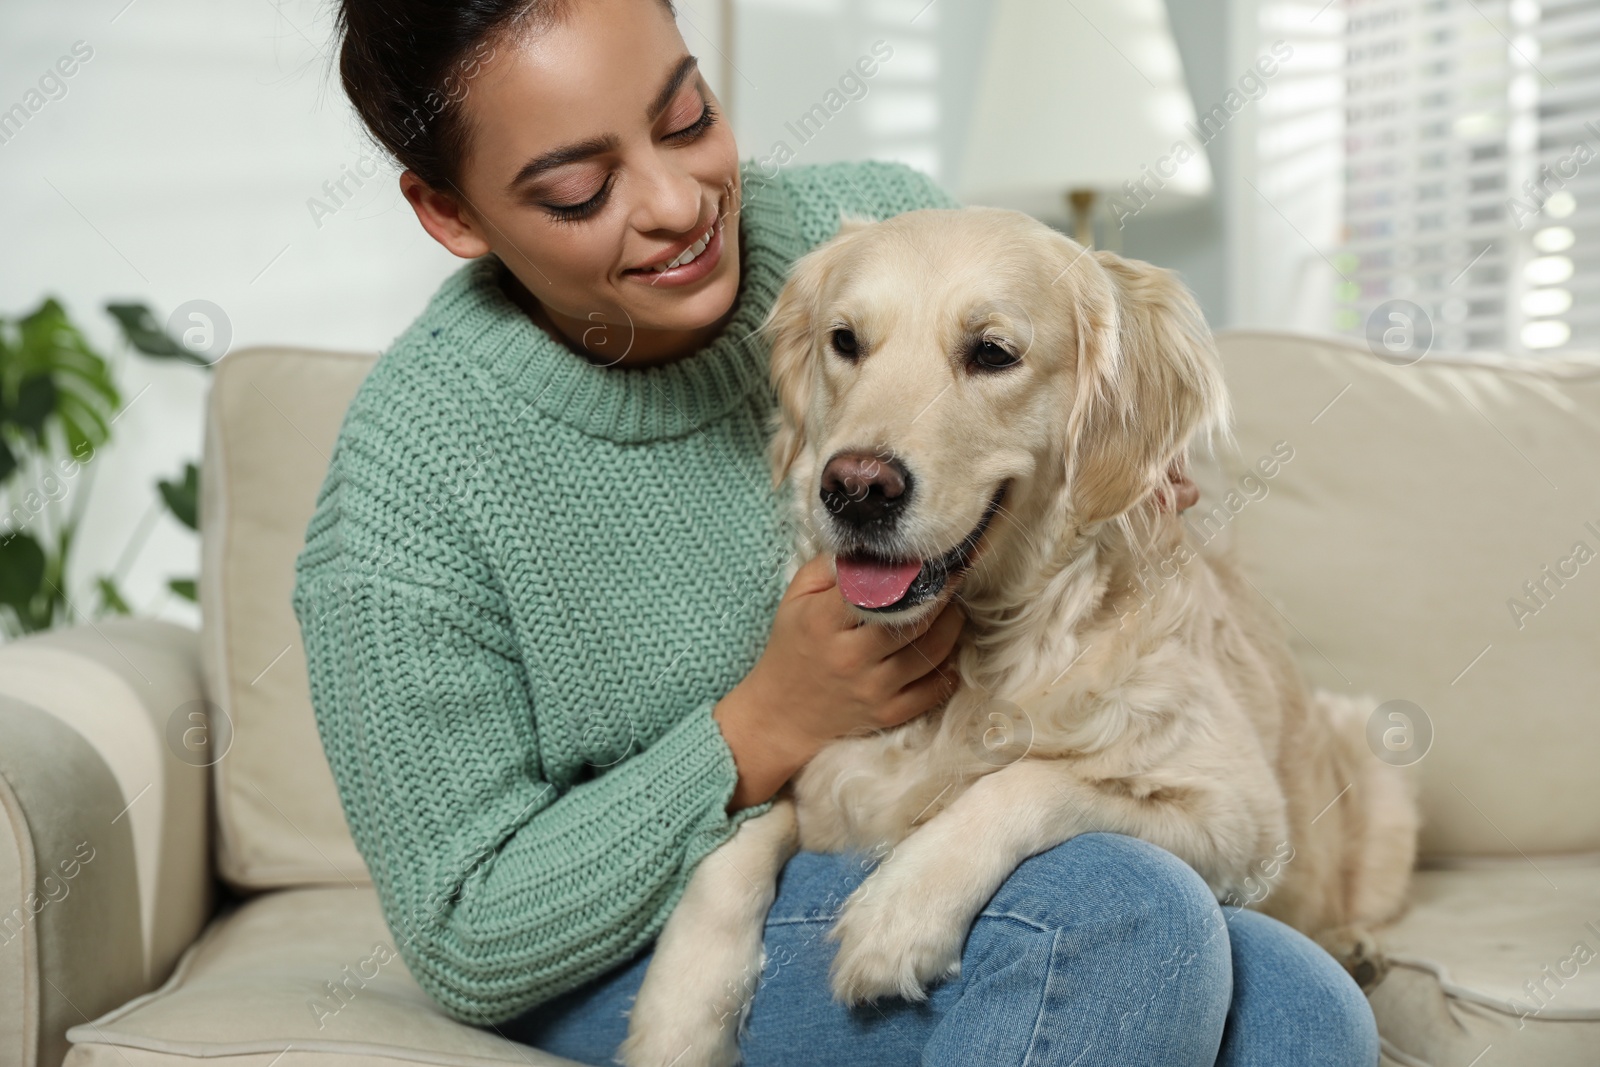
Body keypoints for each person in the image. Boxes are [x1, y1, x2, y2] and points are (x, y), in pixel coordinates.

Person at [290, 0, 1381, 1064]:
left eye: (685, 119)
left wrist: (1115, 445)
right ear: (452, 213)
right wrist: (760, 724)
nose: (677, 203)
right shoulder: (408, 487)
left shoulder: (867, 217)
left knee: (1304, 1007)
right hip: (607, 937)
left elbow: (1026, 395)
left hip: (892, 817)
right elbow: (465, 930)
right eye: (581, 188)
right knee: (1115, 913)